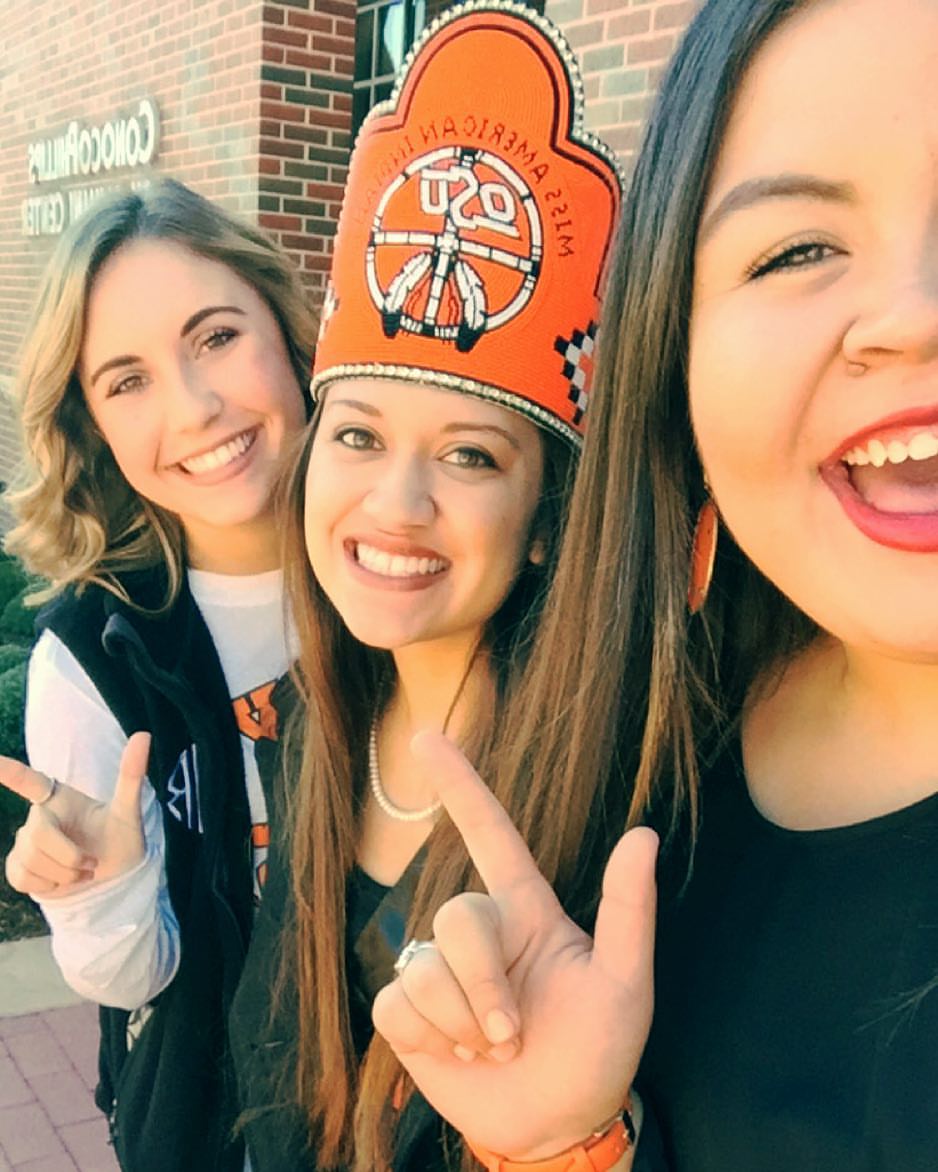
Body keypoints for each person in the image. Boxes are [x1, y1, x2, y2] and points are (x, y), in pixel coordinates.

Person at [368, 1, 938, 1170]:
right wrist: (560, 1144)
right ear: (669, 362)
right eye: (794, 250)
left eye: (471, 453)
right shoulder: (638, 754)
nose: (911, 316)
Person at [224, 5, 626, 1170]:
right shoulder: (304, 724)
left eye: (467, 455)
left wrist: (572, 1139)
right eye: (355, 435)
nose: (396, 503)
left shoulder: (613, 800)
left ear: (545, 522)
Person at [0, 178, 314, 1171]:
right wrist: (104, 892)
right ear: (92, 424)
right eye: (126, 380)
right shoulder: (95, 655)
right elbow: (133, 977)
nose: (196, 405)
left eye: (217, 336)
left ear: (288, 331)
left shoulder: (403, 565)